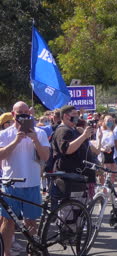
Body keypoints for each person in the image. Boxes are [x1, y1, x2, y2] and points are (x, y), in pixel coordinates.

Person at [0, 101, 50, 256]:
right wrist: (16, 141)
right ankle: (6, 252)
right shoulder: (5, 134)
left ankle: (32, 250)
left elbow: (45, 157)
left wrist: (35, 140)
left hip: (32, 183)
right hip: (11, 184)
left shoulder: (40, 133)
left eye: (25, 112)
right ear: (13, 114)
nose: (23, 114)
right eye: (19, 112)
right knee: (7, 222)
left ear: (29, 113)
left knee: (31, 221)